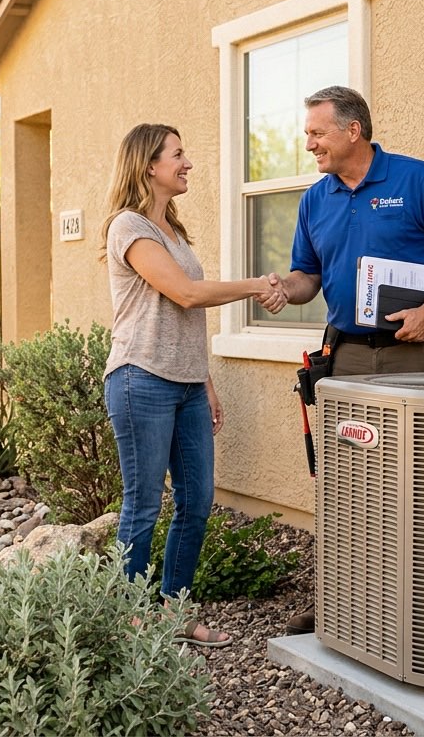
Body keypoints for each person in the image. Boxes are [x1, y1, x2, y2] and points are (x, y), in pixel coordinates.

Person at [267, 86, 424, 635]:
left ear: (352, 130)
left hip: (417, 356)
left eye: (317, 132)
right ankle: (340, 601)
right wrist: (279, 289)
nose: (308, 142)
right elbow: (306, 277)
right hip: (349, 357)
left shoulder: (416, 179)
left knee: (423, 483)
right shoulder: (316, 199)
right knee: (345, 483)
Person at [103, 123, 286, 648]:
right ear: (149, 166)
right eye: (178, 155)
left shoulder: (175, 233)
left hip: (184, 385)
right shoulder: (128, 227)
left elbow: (185, 319)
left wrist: (204, 381)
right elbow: (184, 294)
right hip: (141, 380)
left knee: (197, 500)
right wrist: (256, 284)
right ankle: (126, 617)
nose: (188, 163)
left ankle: (174, 610)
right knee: (143, 504)